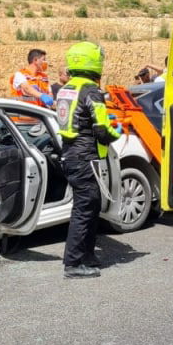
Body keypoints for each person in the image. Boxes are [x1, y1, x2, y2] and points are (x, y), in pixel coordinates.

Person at [55, 41, 121, 279]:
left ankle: (88, 255)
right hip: (85, 158)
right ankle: (73, 263)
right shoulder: (92, 91)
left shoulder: (66, 89)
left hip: (70, 155)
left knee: (90, 207)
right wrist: (117, 132)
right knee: (85, 209)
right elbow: (102, 130)